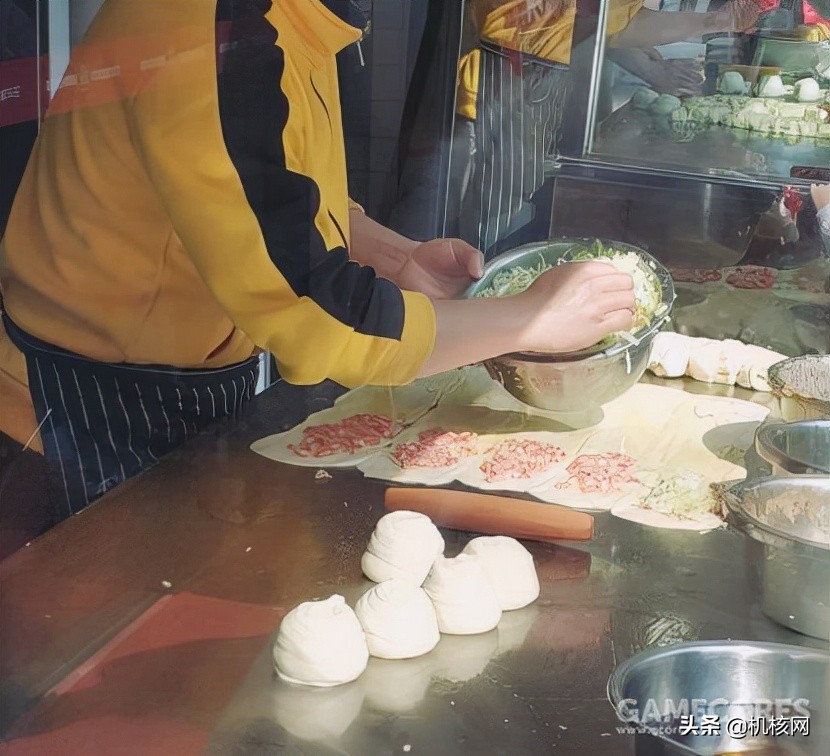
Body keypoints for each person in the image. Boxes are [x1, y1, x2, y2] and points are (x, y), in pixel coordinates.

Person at [0, 0, 636, 522]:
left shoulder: (296, 19)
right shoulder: (220, 33)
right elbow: (319, 315)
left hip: (180, 373)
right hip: (78, 405)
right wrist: (527, 321)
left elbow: (270, 195)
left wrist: (393, 254)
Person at [451, 0, 764, 256]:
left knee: (520, 194)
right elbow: (608, 21)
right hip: (509, 75)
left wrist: (711, 25)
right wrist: (716, 22)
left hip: (532, 73)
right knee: (499, 208)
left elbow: (607, 19)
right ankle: (485, 284)